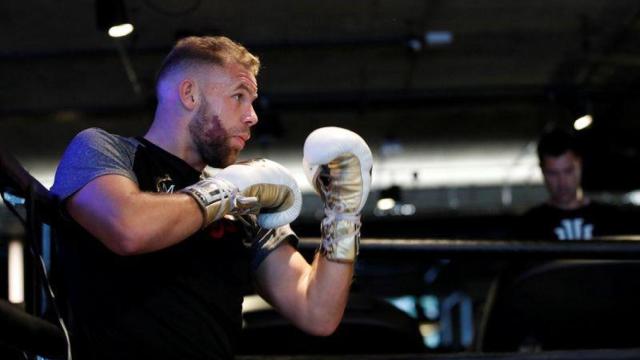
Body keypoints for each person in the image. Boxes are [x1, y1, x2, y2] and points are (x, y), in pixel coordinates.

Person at [50, 36, 372, 359]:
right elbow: (127, 229)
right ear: (190, 94)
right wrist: (226, 191)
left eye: (252, 101)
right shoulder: (103, 151)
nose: (252, 116)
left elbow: (316, 311)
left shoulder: (245, 201)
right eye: (239, 96)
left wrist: (343, 215)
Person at [517, 128, 628, 240]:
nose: (562, 182)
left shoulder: (610, 219)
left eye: (568, 171)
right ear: (543, 171)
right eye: (553, 173)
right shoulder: (529, 225)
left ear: (579, 165)